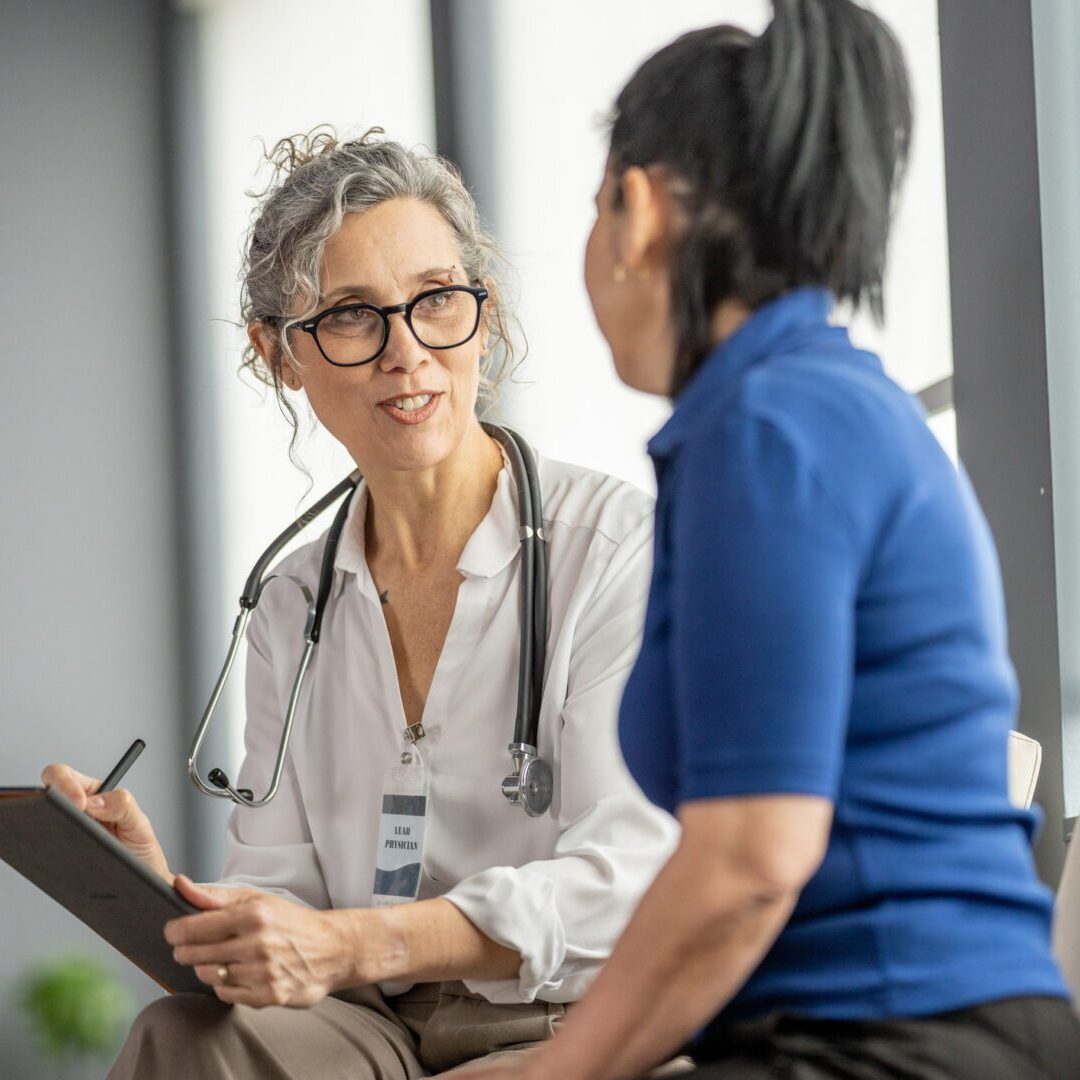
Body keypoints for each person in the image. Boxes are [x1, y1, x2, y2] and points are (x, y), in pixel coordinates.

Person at [468, 2, 1080, 1078]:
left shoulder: (769, 427)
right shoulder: (810, 405)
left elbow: (752, 858)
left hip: (901, 1047)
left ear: (638, 206)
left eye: (592, 209)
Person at [42, 129, 678, 1079]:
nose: (407, 350)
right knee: (183, 1040)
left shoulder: (615, 549)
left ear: (481, 310)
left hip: (571, 1019)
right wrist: (162, 889)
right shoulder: (293, 600)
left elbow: (627, 885)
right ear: (278, 353)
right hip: (373, 1024)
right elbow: (286, 896)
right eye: (351, 315)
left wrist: (360, 945)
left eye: (435, 300)